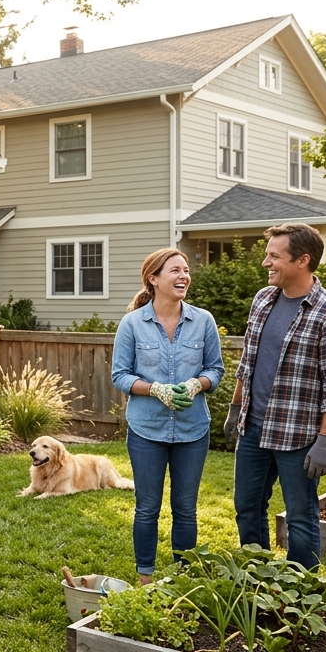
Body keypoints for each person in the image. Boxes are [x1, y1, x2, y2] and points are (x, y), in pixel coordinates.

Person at [225, 223, 326, 570]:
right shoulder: (263, 299)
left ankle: (300, 590)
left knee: (300, 516)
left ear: (303, 260)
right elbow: (248, 362)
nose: (266, 262)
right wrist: (235, 408)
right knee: (248, 507)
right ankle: (258, 580)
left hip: (297, 435)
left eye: (273, 256)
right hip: (253, 428)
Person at [111, 248, 223, 585]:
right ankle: (145, 579)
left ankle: (182, 579)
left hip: (192, 431)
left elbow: (215, 370)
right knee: (147, 508)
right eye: (175, 270)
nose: (183, 276)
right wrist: (155, 389)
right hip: (147, 430)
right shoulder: (132, 324)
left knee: (185, 509)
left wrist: (195, 385)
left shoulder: (203, 321)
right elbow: (120, 375)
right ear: (154, 279)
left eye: (186, 270)